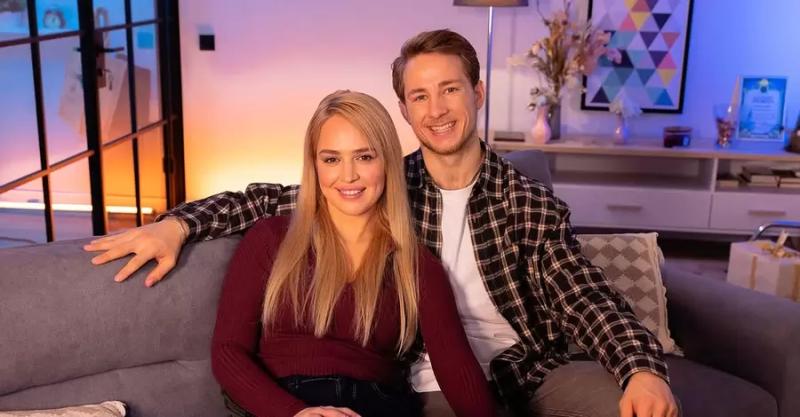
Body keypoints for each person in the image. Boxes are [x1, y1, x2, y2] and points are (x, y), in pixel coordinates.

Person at [85, 30, 679, 417]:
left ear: (477, 93)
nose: (436, 109)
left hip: (528, 368)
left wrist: (641, 368)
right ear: (404, 110)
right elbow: (265, 202)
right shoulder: (380, 186)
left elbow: (586, 296)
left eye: (450, 90)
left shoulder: (525, 204)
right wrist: (177, 225)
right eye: (419, 96)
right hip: (424, 382)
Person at [211, 90, 498, 417]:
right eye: (331, 159)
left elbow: (458, 372)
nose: (348, 176)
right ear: (314, 165)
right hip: (284, 404)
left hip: (377, 405)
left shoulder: (416, 266)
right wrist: (293, 413)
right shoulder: (271, 239)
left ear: (387, 162)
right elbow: (228, 351)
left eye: (364, 157)